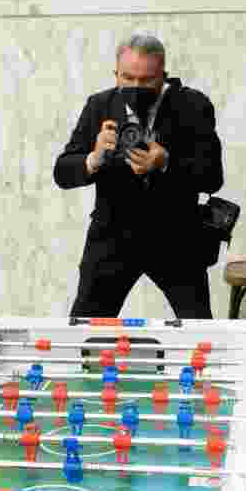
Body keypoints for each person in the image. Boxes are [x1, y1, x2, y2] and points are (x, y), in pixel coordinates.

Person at [54, 33, 224, 319]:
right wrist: (94, 158)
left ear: (163, 76)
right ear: (116, 74)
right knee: (87, 331)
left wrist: (166, 161)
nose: (136, 86)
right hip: (112, 237)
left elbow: (213, 176)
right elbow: (62, 171)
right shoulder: (100, 105)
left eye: (146, 80)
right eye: (128, 78)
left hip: (176, 236)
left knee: (198, 331)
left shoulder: (193, 105)